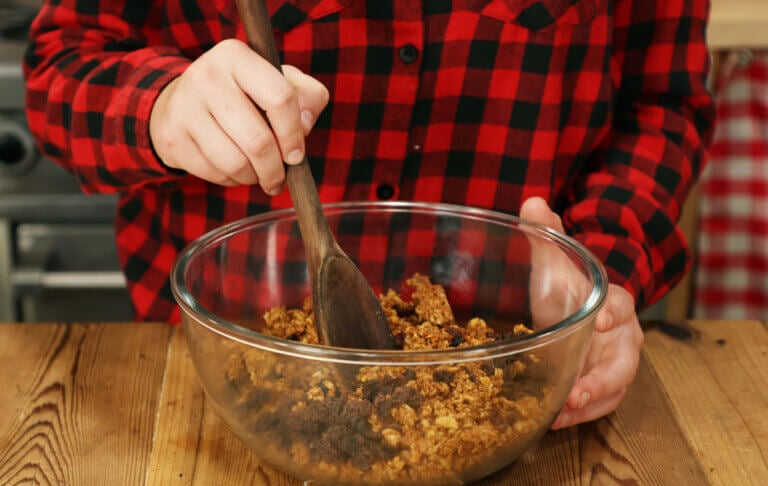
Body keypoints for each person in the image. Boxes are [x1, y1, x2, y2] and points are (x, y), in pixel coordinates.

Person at [23, 0, 715, 429]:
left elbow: (661, 103)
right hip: (216, 386)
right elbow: (58, 70)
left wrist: (600, 268)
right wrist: (160, 108)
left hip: (520, 380)